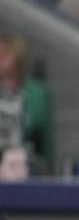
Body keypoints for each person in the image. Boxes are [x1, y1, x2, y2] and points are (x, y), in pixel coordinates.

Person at [0, 33, 53, 175]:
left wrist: (49, 170)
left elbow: (46, 138)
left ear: (18, 55)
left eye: (5, 52)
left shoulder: (37, 92)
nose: (1, 56)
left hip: (27, 162)